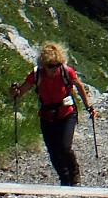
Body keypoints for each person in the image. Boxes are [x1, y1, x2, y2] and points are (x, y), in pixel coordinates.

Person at [11, 41, 96, 186]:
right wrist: (15, 92)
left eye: (57, 64)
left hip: (67, 113)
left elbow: (79, 86)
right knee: (52, 150)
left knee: (65, 147)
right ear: (44, 64)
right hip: (46, 116)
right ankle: (64, 178)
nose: (54, 69)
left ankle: (74, 175)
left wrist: (89, 106)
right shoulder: (37, 74)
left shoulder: (66, 71)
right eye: (51, 65)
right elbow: (20, 93)